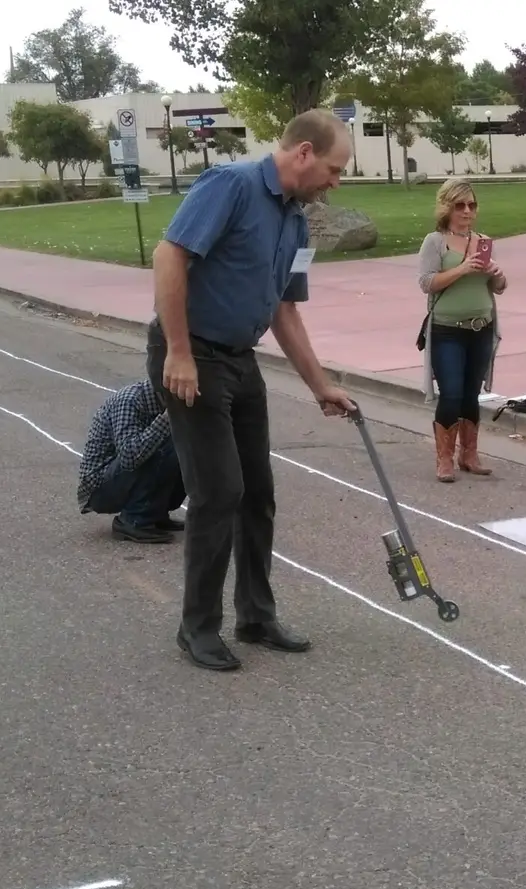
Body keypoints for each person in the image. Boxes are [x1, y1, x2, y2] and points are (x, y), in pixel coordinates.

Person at [148, 108, 357, 672]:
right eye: (334, 170)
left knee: (257, 493)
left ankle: (256, 615)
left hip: (241, 360)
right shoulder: (232, 186)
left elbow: (284, 310)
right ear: (305, 153)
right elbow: (170, 256)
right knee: (219, 492)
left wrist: (320, 386)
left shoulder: (295, 220)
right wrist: (180, 352)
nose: (336, 183)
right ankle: (197, 628)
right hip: (193, 357)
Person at [415, 178, 506, 482]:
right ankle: (444, 459)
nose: (467, 211)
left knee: (470, 394)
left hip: (481, 327)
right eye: (460, 205)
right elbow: (427, 283)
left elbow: (500, 288)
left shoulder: (482, 240)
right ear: (447, 207)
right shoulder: (435, 241)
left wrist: (497, 274)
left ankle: (469, 454)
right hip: (448, 329)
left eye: (472, 205)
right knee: (451, 394)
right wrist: (462, 268)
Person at [76, 378, 185, 543]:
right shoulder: (130, 400)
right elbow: (129, 457)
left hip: (121, 477)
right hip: (100, 488)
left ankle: (154, 513)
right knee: (168, 443)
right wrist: (167, 418)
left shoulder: (158, 398)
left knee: (188, 447)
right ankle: (134, 520)